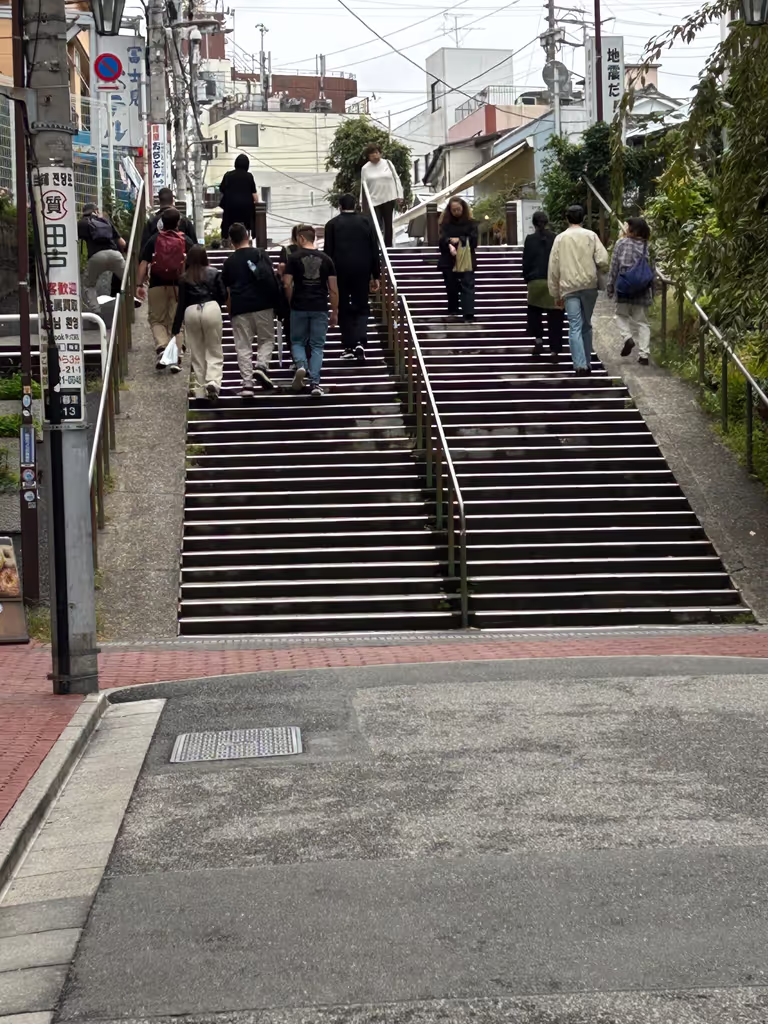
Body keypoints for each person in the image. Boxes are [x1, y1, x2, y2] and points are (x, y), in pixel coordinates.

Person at [547, 204, 610, 376]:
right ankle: (588, 362)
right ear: (583, 218)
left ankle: (579, 365)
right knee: (586, 324)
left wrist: (555, 292)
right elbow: (603, 259)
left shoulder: (560, 239)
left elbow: (553, 267)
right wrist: (601, 269)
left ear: (567, 219)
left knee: (574, 325)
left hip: (569, 288)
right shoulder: (591, 235)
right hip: (589, 285)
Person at [221, 221, 280, 397]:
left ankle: (247, 385)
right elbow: (271, 278)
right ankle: (261, 365)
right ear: (248, 236)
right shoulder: (261, 254)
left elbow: (227, 291)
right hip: (263, 305)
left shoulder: (229, 262)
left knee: (243, 346)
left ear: (231, 241)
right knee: (267, 339)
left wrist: (230, 311)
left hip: (240, 307)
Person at [283, 224, 338, 398]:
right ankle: (315, 383)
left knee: (297, 341)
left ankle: (301, 366)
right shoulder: (327, 259)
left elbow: (286, 283)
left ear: (301, 238)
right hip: (319, 307)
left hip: (299, 305)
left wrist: (291, 300)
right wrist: (335, 311)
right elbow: (333, 289)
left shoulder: (293, 258)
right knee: (317, 346)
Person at [323, 194, 380, 363]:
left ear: (340, 206)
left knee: (342, 307)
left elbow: (328, 253)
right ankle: (361, 341)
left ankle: (348, 345)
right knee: (362, 306)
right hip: (362, 270)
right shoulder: (366, 222)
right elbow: (373, 250)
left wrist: (327, 278)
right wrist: (375, 275)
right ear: (355, 205)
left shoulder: (331, 225)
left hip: (339, 271)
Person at [171, 246, 227, 402]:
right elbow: (223, 295)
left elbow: (181, 304)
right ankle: (213, 382)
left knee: (197, 352)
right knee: (214, 349)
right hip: (210, 307)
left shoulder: (183, 278)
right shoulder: (214, 273)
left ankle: (200, 390)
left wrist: (176, 328)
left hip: (190, 311)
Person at [136, 206, 192, 360]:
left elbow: (143, 263)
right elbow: (194, 264)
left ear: (161, 223)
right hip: (178, 286)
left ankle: (162, 346)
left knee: (156, 319)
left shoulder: (154, 239)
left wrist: (139, 285)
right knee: (177, 321)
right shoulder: (185, 240)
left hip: (156, 284)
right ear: (178, 222)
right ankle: (177, 352)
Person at [607, 216, 655, 367]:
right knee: (643, 323)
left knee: (620, 315)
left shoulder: (621, 243)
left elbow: (614, 266)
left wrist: (610, 286)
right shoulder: (648, 246)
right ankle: (644, 355)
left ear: (632, 229)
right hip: (641, 290)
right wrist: (653, 290)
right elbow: (652, 271)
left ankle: (628, 338)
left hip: (624, 287)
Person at [522, 211, 564, 362]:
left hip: (535, 281)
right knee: (555, 317)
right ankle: (554, 351)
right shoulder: (556, 238)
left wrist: (526, 278)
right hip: (553, 281)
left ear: (533, 223)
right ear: (547, 222)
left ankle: (539, 340)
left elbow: (526, 261)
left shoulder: (530, 239)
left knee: (534, 312)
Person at [77, 203, 127, 314]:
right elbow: (122, 243)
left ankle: (96, 311)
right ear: (96, 210)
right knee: (127, 280)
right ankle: (131, 301)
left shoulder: (82, 223)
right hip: (115, 254)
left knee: (89, 285)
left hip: (96, 257)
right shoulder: (105, 221)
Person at [437, 196, 478, 323]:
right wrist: (449, 243)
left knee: (468, 285)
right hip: (449, 259)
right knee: (451, 286)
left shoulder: (471, 223)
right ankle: (453, 309)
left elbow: (474, 241)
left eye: (458, 209)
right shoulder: (445, 223)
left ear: (463, 208)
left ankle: (468, 313)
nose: (456, 212)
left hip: (466, 258)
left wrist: (460, 240)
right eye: (453, 210)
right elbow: (441, 240)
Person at [360, 144, 403, 248]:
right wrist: (362, 202)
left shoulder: (388, 163)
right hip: (373, 199)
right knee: (375, 224)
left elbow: (396, 179)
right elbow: (363, 186)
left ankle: (388, 247)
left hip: (389, 197)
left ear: (380, 153)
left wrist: (400, 195)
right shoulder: (365, 168)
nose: (375, 155)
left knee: (388, 224)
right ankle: (375, 246)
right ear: (368, 156)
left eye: (376, 152)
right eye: (372, 154)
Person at [219, 155, 258, 243]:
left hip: (230, 210)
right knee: (252, 217)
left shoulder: (228, 175)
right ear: (247, 165)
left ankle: (226, 239)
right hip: (246, 212)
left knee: (227, 220)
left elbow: (222, 190)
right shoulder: (249, 176)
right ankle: (250, 237)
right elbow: (255, 196)